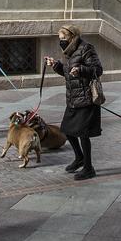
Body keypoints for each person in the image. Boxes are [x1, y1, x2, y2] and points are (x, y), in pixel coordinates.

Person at [45, 25, 103, 180]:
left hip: (86, 99)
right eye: (60, 39)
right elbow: (68, 73)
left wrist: (81, 70)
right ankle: (79, 158)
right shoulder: (70, 51)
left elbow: (98, 69)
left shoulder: (86, 48)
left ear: (71, 37)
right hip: (73, 98)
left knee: (83, 134)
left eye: (63, 39)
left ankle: (89, 168)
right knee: (67, 129)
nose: (61, 42)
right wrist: (56, 65)